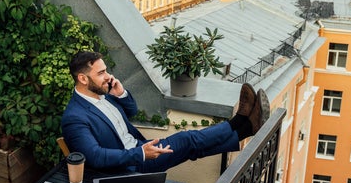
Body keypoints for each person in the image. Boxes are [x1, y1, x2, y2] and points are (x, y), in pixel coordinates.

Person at [61, 51, 269, 173]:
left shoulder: (102, 93)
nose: (108, 76)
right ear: (82, 79)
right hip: (132, 166)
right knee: (188, 141)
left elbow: (131, 111)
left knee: (191, 147)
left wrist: (121, 92)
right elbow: (96, 157)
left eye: (106, 70)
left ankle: (245, 127)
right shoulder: (75, 118)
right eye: (101, 73)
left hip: (140, 149)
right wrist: (140, 153)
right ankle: (241, 123)